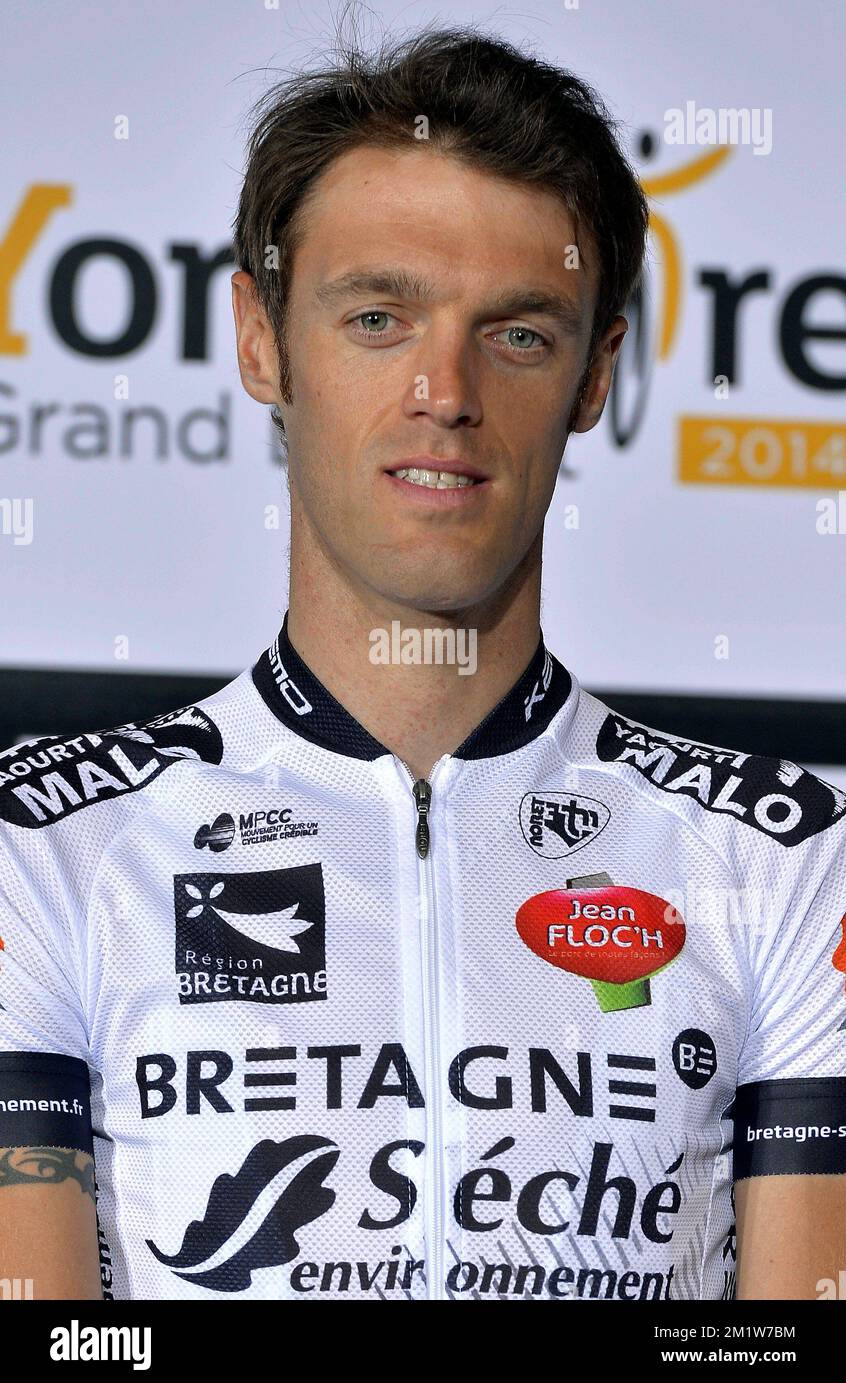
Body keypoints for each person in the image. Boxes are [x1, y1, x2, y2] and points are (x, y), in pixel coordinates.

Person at [0, 24, 844, 1303]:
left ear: (596, 372)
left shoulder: (789, 858)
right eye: (379, 316)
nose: (442, 390)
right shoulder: (43, 847)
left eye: (516, 332)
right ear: (261, 336)